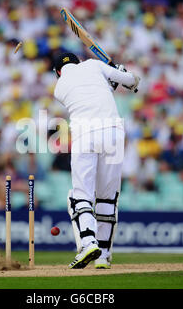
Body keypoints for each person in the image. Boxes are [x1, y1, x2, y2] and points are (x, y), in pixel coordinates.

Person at [53, 53, 140, 269]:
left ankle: (88, 243)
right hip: (113, 132)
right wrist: (120, 72)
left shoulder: (59, 87)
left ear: (57, 73)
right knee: (107, 197)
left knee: (80, 195)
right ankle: (103, 255)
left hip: (85, 134)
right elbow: (131, 81)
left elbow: (90, 92)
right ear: (78, 61)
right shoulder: (94, 65)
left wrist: (114, 78)